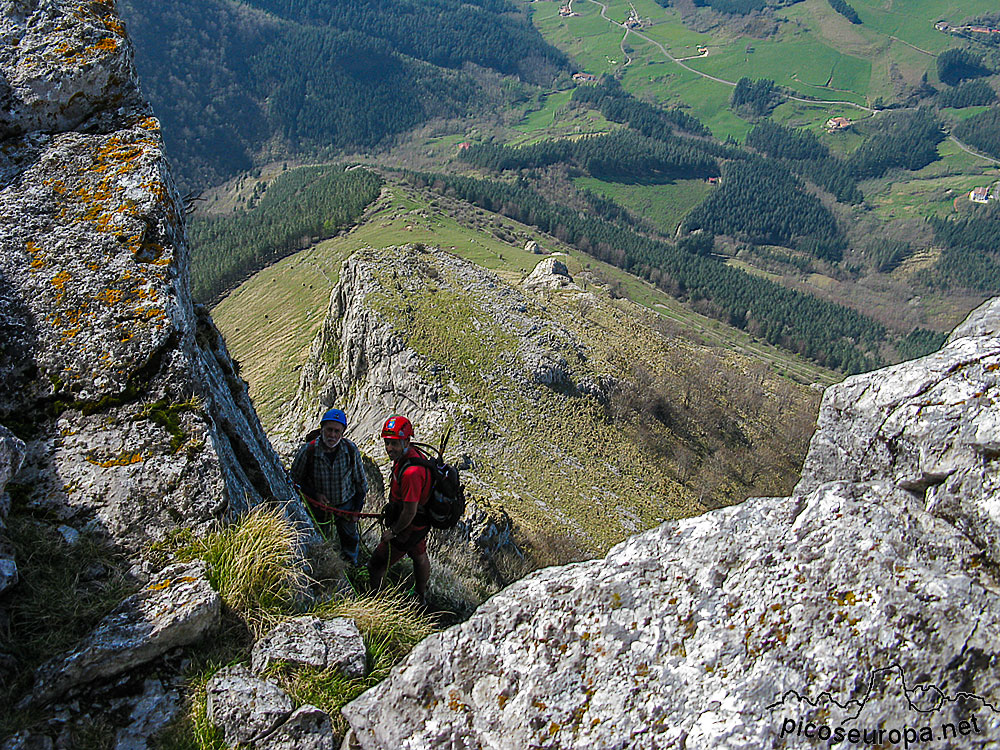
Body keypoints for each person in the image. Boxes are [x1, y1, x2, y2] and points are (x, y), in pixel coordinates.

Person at [368, 415, 432, 607]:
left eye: (394, 443)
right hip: (419, 523)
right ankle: (420, 595)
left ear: (407, 441)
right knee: (419, 555)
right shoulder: (410, 456)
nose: (389, 448)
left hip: (407, 527)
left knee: (376, 565)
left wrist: (393, 532)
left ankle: (375, 605)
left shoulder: (412, 472)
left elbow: (409, 511)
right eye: (387, 443)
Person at [290, 408, 368, 565]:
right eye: (329, 430)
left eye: (337, 431)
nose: (332, 435)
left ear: (342, 433)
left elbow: (361, 483)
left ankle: (350, 564)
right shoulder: (308, 451)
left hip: (345, 505)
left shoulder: (350, 450)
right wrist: (314, 494)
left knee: (350, 537)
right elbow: (294, 481)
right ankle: (323, 564)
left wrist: (356, 510)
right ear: (322, 429)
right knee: (319, 538)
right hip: (318, 507)